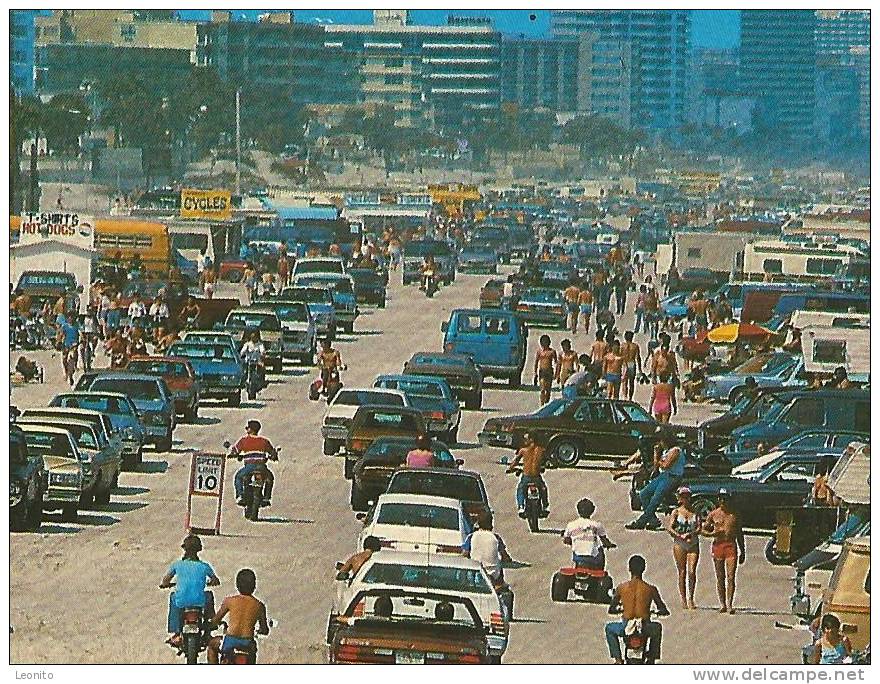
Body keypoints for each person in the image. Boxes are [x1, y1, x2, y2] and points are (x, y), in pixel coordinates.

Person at [605, 555, 669, 664]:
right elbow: (662, 608)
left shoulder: (622, 588)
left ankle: (618, 659)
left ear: (629, 569)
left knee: (609, 629)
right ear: (644, 569)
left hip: (626, 626)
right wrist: (659, 612)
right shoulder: (650, 589)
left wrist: (620, 610)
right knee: (657, 628)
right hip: (644, 626)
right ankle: (651, 658)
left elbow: (611, 609)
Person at [159, 534, 220, 647]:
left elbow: (166, 580)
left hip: (182, 601)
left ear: (184, 548)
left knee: (173, 596)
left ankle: (176, 632)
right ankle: (209, 626)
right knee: (209, 595)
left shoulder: (177, 564)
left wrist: (165, 585)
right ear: (199, 549)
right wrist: (211, 583)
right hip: (199, 601)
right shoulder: (204, 566)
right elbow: (215, 580)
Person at [207, 569, 270, 665]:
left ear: (237, 585)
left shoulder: (229, 601)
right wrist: (261, 631)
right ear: (254, 586)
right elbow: (265, 629)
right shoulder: (259, 606)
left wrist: (211, 624)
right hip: (247, 643)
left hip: (230, 641)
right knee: (252, 653)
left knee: (212, 645)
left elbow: (216, 620)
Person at [701, 489, 745, 614]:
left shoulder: (734, 515)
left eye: (725, 498)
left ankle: (730, 604)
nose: (723, 501)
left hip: (731, 545)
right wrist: (712, 533)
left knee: (731, 577)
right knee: (720, 577)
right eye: (721, 498)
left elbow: (740, 533)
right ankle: (722, 603)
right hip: (718, 545)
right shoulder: (714, 514)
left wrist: (743, 551)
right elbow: (703, 530)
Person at [627, 436, 684, 530]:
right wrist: (656, 454)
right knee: (643, 494)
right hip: (665, 475)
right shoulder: (667, 451)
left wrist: (659, 460)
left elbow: (666, 465)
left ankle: (640, 522)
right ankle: (653, 520)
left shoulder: (675, 451)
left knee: (655, 500)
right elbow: (656, 465)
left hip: (673, 477)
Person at [666, 487, 700, 609]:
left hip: (693, 543)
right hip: (680, 543)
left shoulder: (695, 512)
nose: (686, 499)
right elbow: (670, 527)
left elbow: (699, 528)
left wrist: (691, 534)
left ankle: (691, 597)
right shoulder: (676, 512)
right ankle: (683, 598)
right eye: (683, 496)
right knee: (682, 572)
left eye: (687, 496)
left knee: (691, 571)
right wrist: (679, 535)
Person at [231, 420, 278, 507]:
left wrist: (231, 452)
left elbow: (234, 451)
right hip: (261, 467)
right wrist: (274, 456)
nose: (246, 429)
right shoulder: (264, 441)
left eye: (247, 428)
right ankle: (266, 498)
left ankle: (240, 495)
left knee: (238, 477)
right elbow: (272, 453)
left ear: (250, 429)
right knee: (269, 478)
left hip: (249, 467)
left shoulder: (244, 440)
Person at [563, 498, 616, 570]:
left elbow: (566, 540)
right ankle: (600, 570)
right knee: (600, 549)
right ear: (592, 511)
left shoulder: (571, 525)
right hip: (593, 558)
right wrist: (609, 545)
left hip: (577, 557)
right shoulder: (597, 525)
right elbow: (604, 540)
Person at [506, 432, 548, 516]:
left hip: (526, 476)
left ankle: (521, 506)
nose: (524, 441)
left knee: (520, 489)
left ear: (531, 439)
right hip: (536, 477)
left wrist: (510, 469)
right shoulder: (541, 450)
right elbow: (546, 461)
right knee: (543, 488)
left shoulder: (523, 450)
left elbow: (516, 461)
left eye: (526, 439)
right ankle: (545, 505)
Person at [463, 511, 512, 585]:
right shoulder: (495, 537)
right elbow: (504, 556)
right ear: (491, 524)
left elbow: (465, 553)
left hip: (476, 572)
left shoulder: (471, 537)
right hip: (494, 574)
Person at [533, 335, 557, 405]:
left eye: (546, 342)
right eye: (543, 342)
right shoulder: (539, 352)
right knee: (542, 389)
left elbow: (556, 362)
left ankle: (546, 402)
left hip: (549, 371)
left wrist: (556, 373)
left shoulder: (552, 352)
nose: (544, 343)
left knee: (548, 390)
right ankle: (542, 404)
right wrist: (535, 372)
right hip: (542, 371)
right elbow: (536, 362)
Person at [58, 312, 80, 386]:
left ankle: (70, 375)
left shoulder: (76, 325)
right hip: (66, 345)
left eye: (71, 317)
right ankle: (66, 372)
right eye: (69, 317)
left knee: (71, 359)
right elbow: (61, 334)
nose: (70, 319)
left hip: (74, 345)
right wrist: (59, 341)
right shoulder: (65, 326)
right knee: (64, 360)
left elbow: (80, 333)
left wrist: (80, 341)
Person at [620, 331, 643, 401]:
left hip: (624, 363)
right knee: (631, 382)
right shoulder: (635, 346)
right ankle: (630, 397)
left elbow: (620, 356)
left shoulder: (622, 346)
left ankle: (625, 396)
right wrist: (640, 369)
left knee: (624, 382)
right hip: (632, 363)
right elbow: (638, 357)